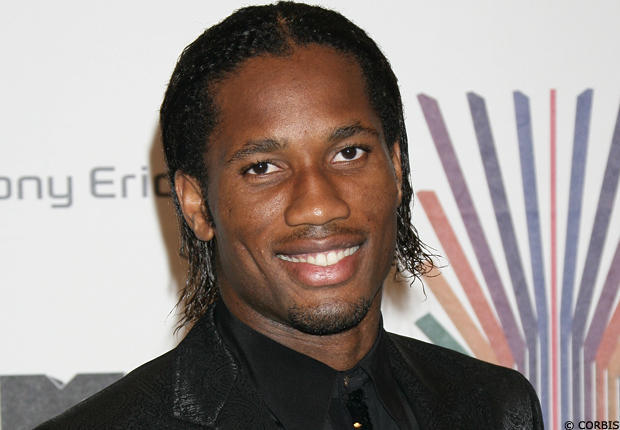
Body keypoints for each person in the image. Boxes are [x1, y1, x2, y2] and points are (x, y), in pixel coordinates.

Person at [38, 2, 543, 429]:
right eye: (262, 167)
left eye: (348, 153)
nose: (319, 204)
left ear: (396, 168)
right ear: (197, 204)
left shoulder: (498, 406)